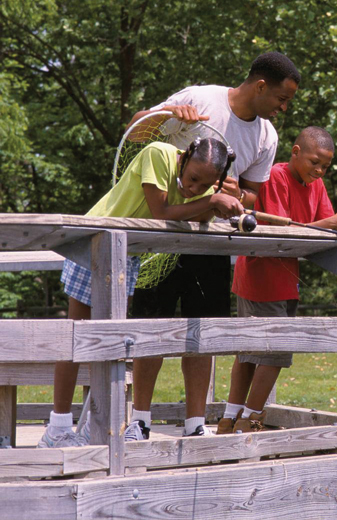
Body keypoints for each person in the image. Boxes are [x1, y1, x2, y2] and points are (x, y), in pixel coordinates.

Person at [124, 52, 300, 440]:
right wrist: (168, 113)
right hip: (163, 238)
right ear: (260, 86)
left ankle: (194, 424)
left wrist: (240, 193)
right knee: (153, 331)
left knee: (201, 336)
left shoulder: (266, 136)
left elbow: (254, 196)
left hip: (213, 244)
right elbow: (135, 129)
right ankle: (139, 421)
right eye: (281, 99)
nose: (284, 108)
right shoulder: (202, 99)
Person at [40, 139, 243, 447]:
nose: (193, 188)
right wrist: (212, 202)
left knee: (111, 341)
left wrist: (219, 199)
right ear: (185, 156)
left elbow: (196, 215)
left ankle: (88, 429)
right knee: (77, 338)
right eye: (192, 178)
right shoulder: (158, 154)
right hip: (95, 241)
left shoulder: (202, 191)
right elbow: (160, 210)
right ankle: (56, 429)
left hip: (127, 252)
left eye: (204, 184)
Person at [216, 126, 337, 434]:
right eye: (314, 162)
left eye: (326, 166)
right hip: (260, 276)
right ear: (295, 152)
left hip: (285, 281)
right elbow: (283, 232)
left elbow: (324, 232)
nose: (320, 170)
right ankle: (248, 420)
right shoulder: (275, 177)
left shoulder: (317, 186)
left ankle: (230, 421)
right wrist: (332, 221)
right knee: (271, 352)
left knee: (253, 353)